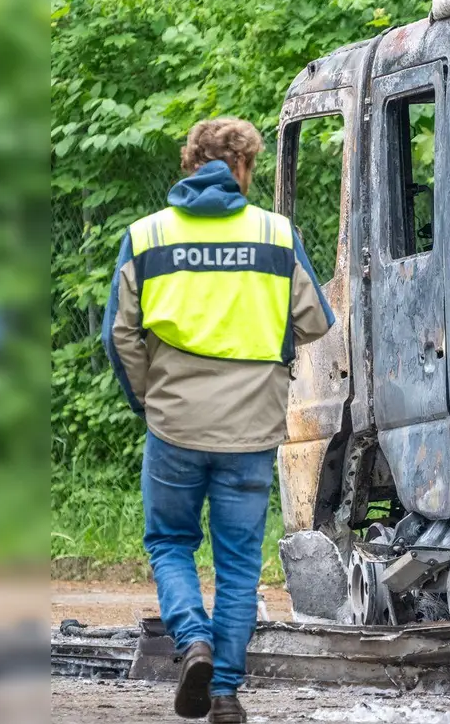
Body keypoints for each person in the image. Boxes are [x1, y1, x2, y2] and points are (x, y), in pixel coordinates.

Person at [102, 118, 334, 723]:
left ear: (190, 161)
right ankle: (226, 692)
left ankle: (193, 642)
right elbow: (315, 320)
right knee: (237, 562)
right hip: (251, 428)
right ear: (244, 168)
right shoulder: (275, 235)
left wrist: (150, 398)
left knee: (170, 542)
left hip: (174, 421)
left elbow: (119, 334)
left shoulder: (147, 235)